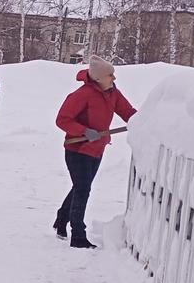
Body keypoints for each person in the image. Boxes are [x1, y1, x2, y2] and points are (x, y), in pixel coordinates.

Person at [54, 54, 136, 249]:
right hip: (77, 148)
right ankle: (78, 235)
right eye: (110, 75)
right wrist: (84, 131)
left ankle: (61, 217)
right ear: (98, 78)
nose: (114, 79)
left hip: (96, 149)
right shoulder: (82, 95)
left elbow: (128, 112)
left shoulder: (113, 93)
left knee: (80, 187)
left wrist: (146, 120)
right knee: (83, 189)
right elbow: (62, 120)